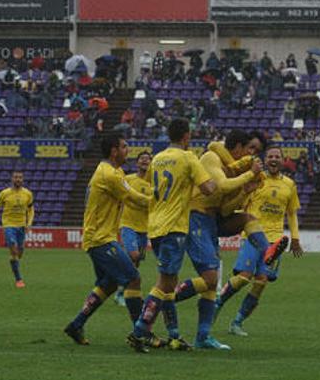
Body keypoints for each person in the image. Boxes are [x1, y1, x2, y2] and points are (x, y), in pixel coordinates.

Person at [172, 130, 276, 351]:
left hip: (211, 220)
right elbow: (221, 186)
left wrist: (245, 191)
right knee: (210, 279)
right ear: (237, 147)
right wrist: (248, 176)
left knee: (248, 219)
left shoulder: (234, 170)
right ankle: (163, 298)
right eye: (250, 149)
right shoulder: (212, 157)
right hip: (196, 217)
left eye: (256, 152)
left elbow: (226, 208)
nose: (252, 155)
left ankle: (202, 336)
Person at [127, 119, 216, 353]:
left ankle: (174, 336)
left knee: (170, 283)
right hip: (174, 227)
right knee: (164, 282)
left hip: (155, 225)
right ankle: (140, 330)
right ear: (187, 136)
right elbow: (208, 188)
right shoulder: (188, 158)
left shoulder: (157, 158)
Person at [63, 134, 151, 346]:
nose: (127, 150)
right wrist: (161, 202)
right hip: (101, 239)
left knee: (109, 284)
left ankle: (76, 325)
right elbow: (134, 199)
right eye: (124, 146)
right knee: (133, 278)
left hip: (100, 237)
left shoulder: (114, 172)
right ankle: (141, 332)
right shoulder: (108, 174)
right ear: (113, 150)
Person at [216, 145, 303, 337]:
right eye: (270, 156)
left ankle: (237, 322)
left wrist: (295, 238)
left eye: (277, 157)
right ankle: (217, 304)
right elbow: (241, 202)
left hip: (275, 242)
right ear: (265, 159)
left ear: (282, 160)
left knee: (261, 282)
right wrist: (245, 192)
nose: (273, 159)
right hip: (254, 235)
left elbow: (292, 213)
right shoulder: (256, 178)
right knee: (244, 277)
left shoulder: (289, 184)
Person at [115, 150, 153, 308]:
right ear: (137, 163)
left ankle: (122, 291)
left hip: (144, 228)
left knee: (136, 262)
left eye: (148, 159)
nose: (145, 161)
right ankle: (124, 292)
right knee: (134, 255)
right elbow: (120, 199)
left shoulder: (154, 184)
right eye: (142, 159)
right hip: (128, 224)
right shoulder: (128, 179)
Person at [0, 171, 34, 288]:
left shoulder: (28, 194)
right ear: (12, 179)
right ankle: (18, 279)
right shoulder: (5, 193)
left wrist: (29, 224)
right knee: (13, 247)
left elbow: (30, 210)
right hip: (9, 225)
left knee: (19, 253)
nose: (18, 179)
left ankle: (14, 262)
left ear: (23, 179)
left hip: (21, 226)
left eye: (20, 177)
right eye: (16, 177)